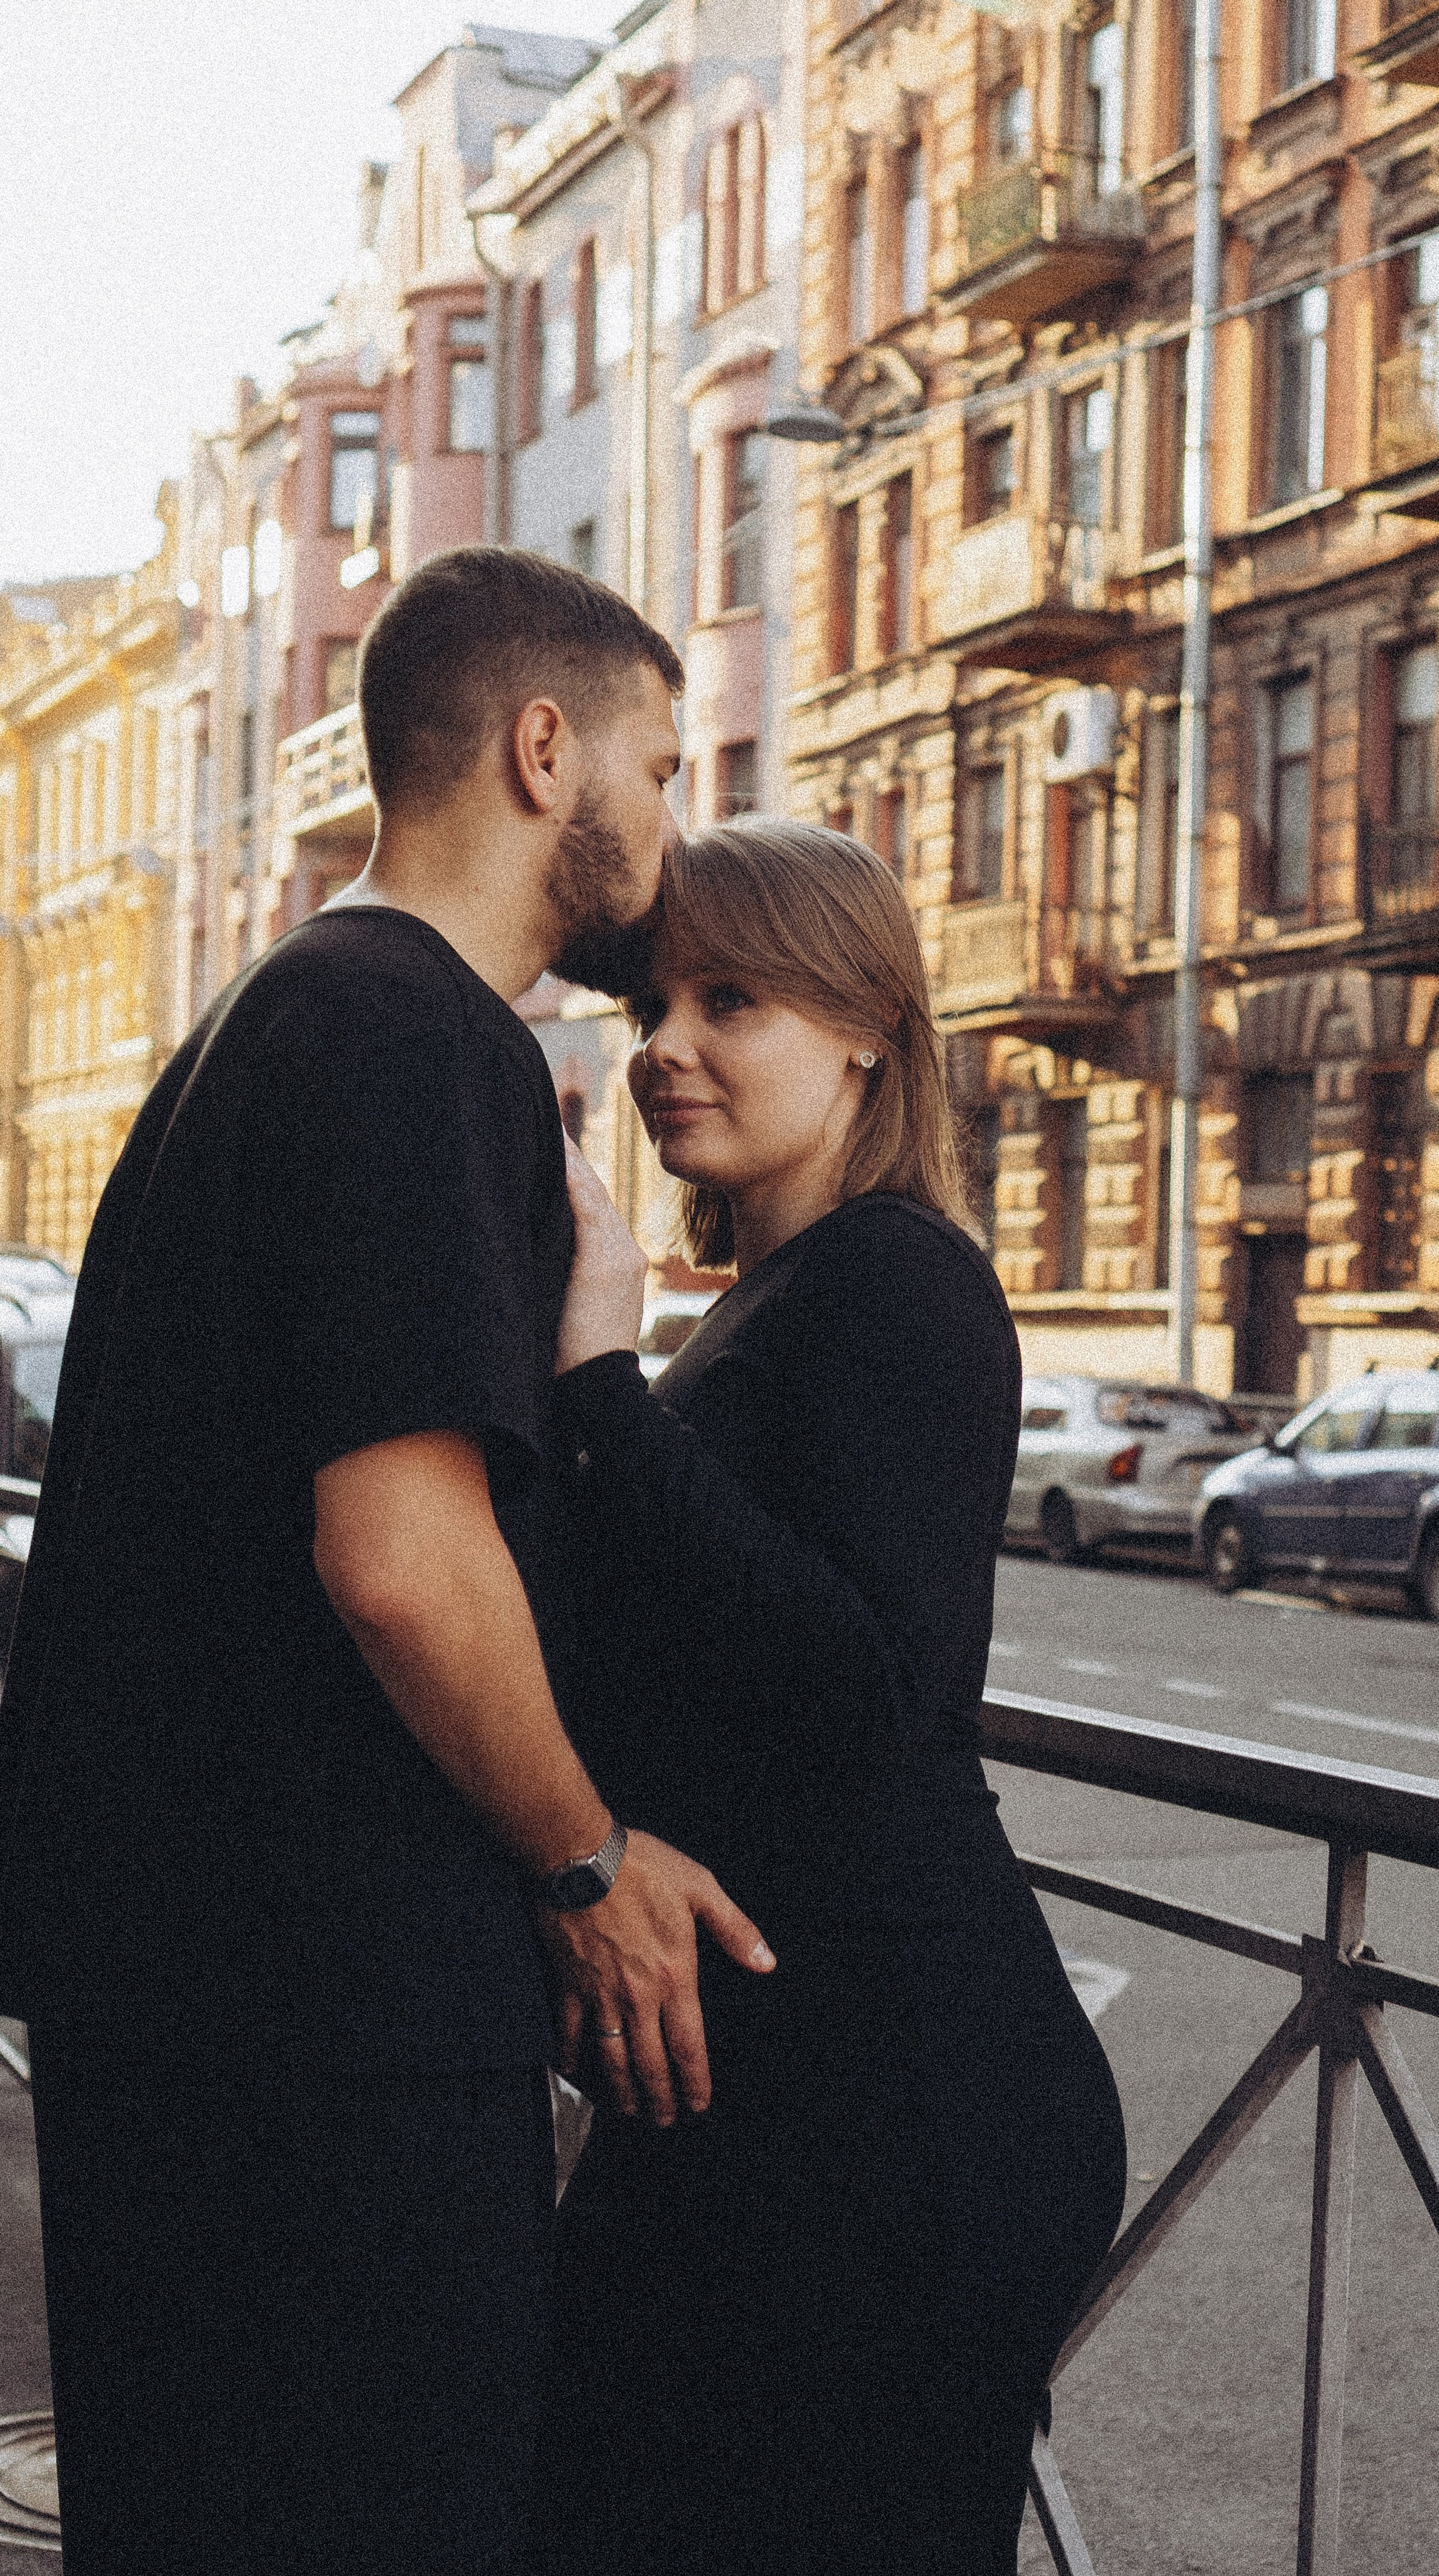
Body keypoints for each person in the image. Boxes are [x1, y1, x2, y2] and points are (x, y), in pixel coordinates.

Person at [0, 548, 772, 2576]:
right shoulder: (417, 1041)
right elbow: (404, 1561)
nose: (674, 829)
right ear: (546, 753)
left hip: (183, 1990)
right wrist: (586, 1862)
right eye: (661, 768)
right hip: (318, 2023)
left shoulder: (263, 1023)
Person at [541, 815, 1127, 2576]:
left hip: (898, 2126)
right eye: (655, 1002)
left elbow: (864, 1690)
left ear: (864, 1023)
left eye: (731, 998)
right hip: (782, 2107)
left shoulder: (900, 1282)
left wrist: (592, 1381)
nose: (665, 1044)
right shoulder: (776, 1297)